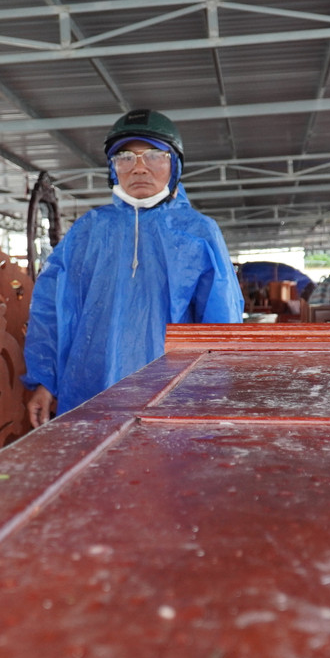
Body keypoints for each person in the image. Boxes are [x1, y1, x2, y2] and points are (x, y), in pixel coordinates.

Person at [22, 109, 244, 426]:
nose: (139, 168)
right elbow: (51, 311)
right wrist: (44, 382)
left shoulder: (198, 233)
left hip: (174, 395)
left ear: (174, 164)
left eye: (154, 155)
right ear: (113, 169)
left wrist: (214, 397)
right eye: (125, 157)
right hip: (90, 390)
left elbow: (221, 325)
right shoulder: (87, 231)